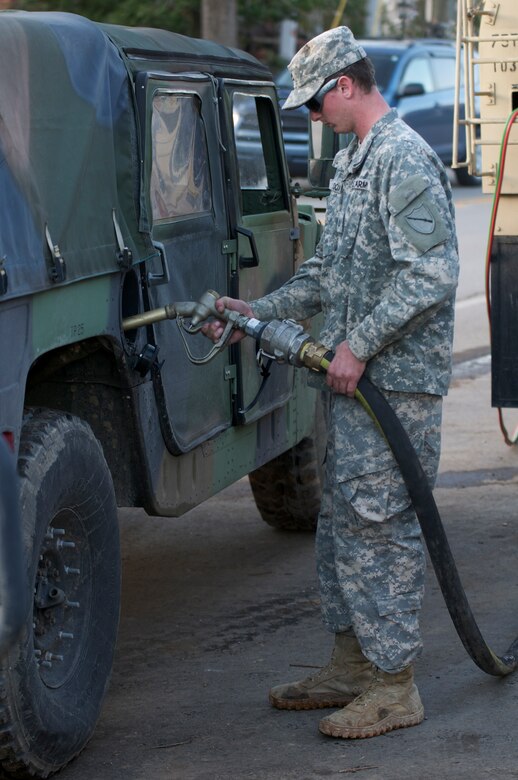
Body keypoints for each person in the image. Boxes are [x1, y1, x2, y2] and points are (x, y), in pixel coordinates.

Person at [204, 25, 459, 739]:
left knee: (382, 529)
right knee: (343, 527)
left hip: (394, 386)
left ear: (344, 85)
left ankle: (394, 684)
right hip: (351, 385)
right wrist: (257, 311)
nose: (312, 119)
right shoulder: (351, 165)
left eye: (314, 105)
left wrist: (360, 345)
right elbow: (326, 274)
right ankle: (353, 663)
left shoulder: (402, 158)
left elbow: (432, 275)